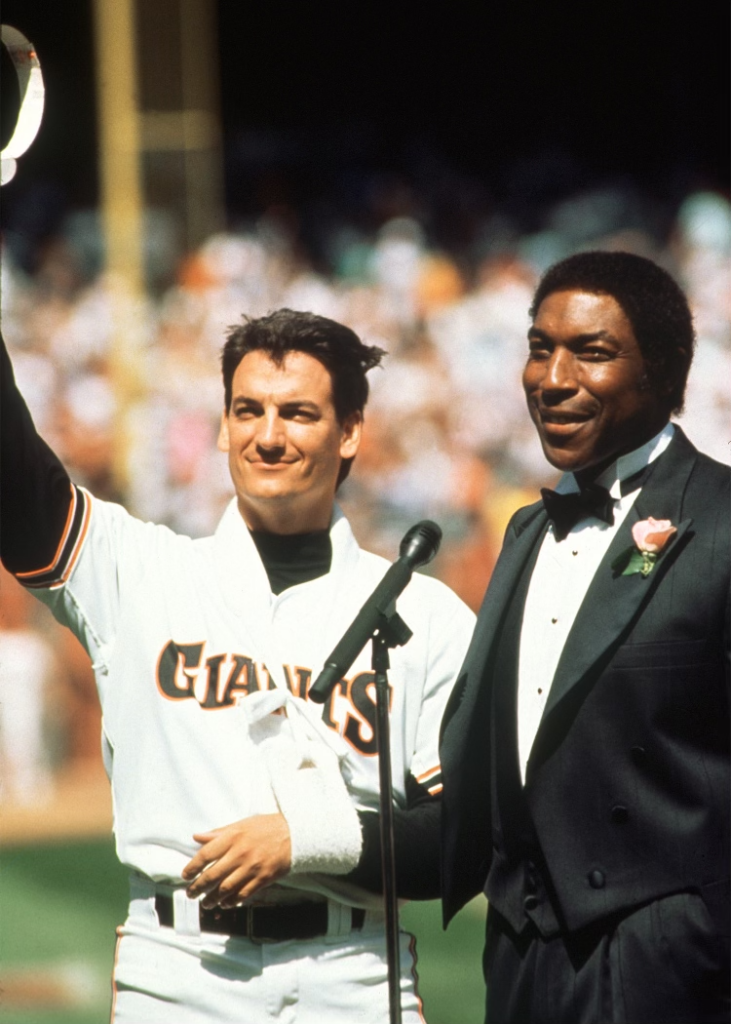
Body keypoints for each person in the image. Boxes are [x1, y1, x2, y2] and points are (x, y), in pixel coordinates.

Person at [0, 308, 475, 1024]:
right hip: (179, 975)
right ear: (223, 426)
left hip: (353, 974)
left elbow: (465, 839)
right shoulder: (140, 572)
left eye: (298, 413)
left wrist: (306, 839)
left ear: (350, 431)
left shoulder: (426, 614)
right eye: (248, 410)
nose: (268, 436)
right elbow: (16, 482)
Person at [439, 251, 730, 1024]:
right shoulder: (523, 532)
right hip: (518, 961)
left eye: (591, 352)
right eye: (540, 349)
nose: (553, 379)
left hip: (668, 970)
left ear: (663, 371)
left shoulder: (724, 521)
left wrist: (692, 940)